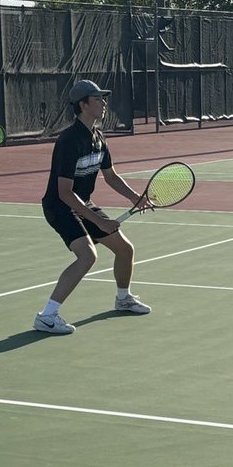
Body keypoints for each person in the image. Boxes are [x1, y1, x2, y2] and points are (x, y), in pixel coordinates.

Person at [34, 79, 151, 335]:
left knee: (125, 249)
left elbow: (110, 176)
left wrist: (135, 197)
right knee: (87, 256)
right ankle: (47, 316)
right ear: (83, 105)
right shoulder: (69, 140)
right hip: (60, 206)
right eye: (98, 99)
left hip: (83, 203)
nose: (104, 103)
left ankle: (123, 298)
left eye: (103, 98)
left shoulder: (98, 137)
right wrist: (99, 222)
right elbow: (64, 192)